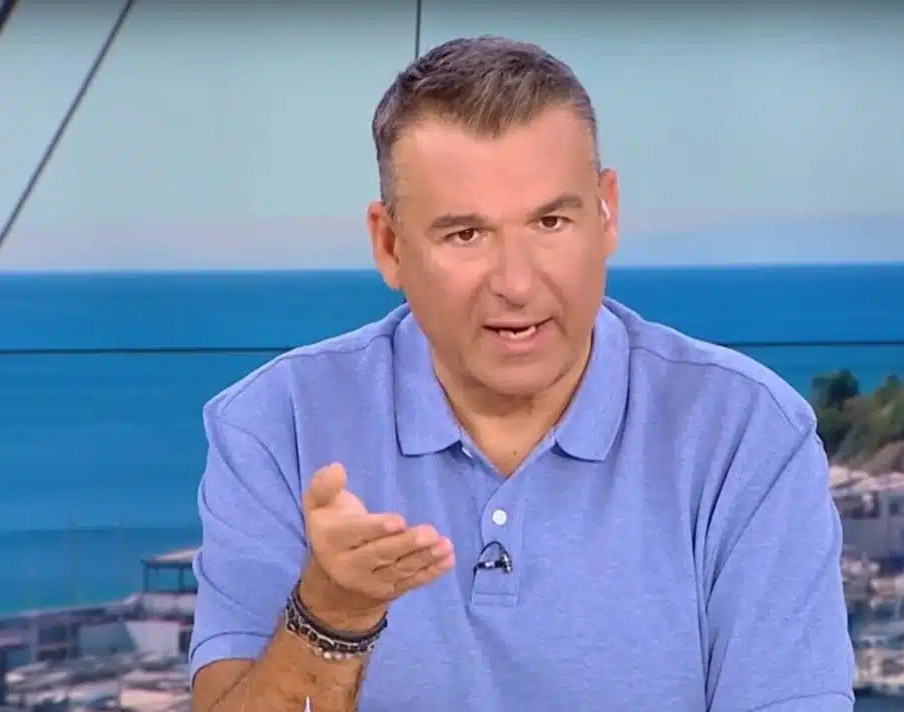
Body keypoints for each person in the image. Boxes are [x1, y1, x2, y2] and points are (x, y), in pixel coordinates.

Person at [188, 35, 855, 712]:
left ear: (606, 213)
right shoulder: (274, 426)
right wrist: (333, 614)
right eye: (466, 235)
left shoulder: (748, 435)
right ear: (390, 246)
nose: (516, 282)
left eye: (550, 221)